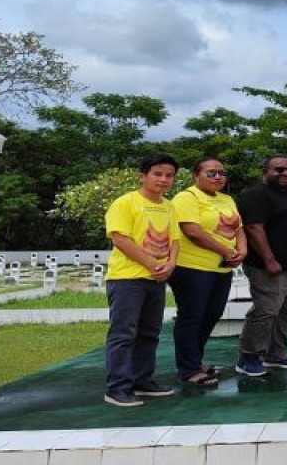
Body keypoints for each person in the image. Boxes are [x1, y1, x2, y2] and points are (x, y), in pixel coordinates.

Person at [102, 153, 181, 407]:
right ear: (143, 176)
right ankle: (117, 387)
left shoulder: (169, 206)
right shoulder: (125, 203)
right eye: (157, 174)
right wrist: (152, 264)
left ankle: (142, 379)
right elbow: (120, 239)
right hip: (127, 279)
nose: (163, 179)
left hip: (156, 279)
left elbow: (175, 240)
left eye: (169, 175)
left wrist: (170, 265)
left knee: (150, 332)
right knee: (124, 334)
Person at [234, 156, 287, 376]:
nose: (285, 174)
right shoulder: (256, 195)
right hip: (268, 267)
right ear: (265, 171)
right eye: (279, 170)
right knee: (265, 311)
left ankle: (275, 353)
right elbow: (254, 228)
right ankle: (248, 356)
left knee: (285, 312)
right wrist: (270, 260)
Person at [168, 157, 246, 386]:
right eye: (211, 173)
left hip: (221, 269)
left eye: (222, 173)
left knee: (212, 314)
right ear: (196, 175)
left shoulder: (227, 199)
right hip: (192, 268)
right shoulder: (186, 197)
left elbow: (238, 228)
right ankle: (188, 369)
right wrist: (225, 251)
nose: (218, 177)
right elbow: (192, 231)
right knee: (191, 316)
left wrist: (241, 251)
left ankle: (195, 359)